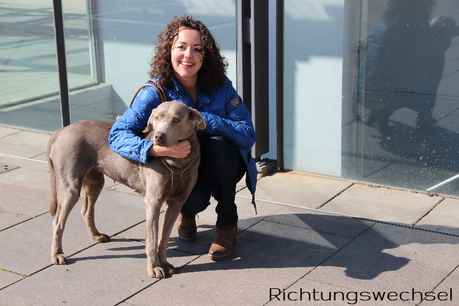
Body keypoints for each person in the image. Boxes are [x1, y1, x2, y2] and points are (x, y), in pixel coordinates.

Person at [108, 15, 257, 261]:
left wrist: (203, 120)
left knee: (219, 145)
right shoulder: (154, 92)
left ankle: (227, 224)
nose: (188, 55)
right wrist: (155, 150)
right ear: (169, 50)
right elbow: (117, 136)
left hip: (222, 167)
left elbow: (247, 135)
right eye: (181, 47)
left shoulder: (221, 87)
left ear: (205, 56)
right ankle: (186, 213)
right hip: (183, 169)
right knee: (191, 201)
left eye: (197, 49)